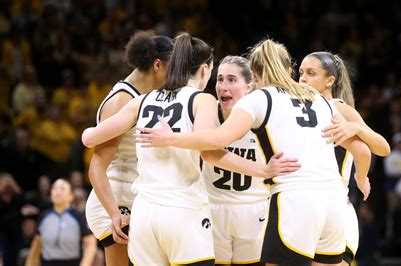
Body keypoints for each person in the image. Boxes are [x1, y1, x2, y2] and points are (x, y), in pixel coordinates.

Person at [135, 38, 372, 266]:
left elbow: (216, 140)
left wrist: (171, 138)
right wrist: (361, 178)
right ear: (288, 69)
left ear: (254, 77)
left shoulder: (259, 98)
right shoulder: (318, 98)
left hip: (295, 197)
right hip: (332, 200)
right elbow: (363, 150)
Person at [82, 33, 300, 265]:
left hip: (144, 213)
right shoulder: (202, 101)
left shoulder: (143, 101)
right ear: (205, 70)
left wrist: (89, 130)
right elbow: (209, 150)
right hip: (182, 211)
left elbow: (89, 138)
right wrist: (263, 171)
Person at [84, 30, 173, 266]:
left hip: (132, 194)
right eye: (171, 69)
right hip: (115, 199)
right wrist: (114, 213)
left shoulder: (146, 95)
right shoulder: (121, 100)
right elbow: (96, 166)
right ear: (157, 65)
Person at [298, 51, 391, 266]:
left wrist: (356, 128)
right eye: (301, 72)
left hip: (334, 204)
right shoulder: (299, 108)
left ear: (330, 81)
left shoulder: (338, 107)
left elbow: (382, 148)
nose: (303, 78)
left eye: (311, 73)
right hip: (307, 203)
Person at [203, 55, 269, 265]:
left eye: (232, 80)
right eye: (220, 79)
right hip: (212, 206)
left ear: (249, 87)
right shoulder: (206, 111)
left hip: (253, 208)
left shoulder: (263, 115)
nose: (223, 86)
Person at [25, 179, 96, 266]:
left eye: (62, 188)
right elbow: (35, 248)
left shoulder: (79, 217)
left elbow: (90, 243)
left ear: (71, 196)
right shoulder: (44, 217)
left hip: (72, 263)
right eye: (54, 188)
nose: (57, 191)